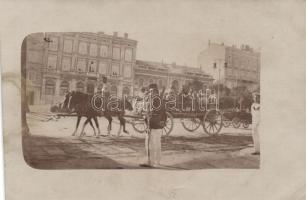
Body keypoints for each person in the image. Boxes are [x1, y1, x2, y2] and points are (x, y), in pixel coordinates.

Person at [140, 83, 166, 168]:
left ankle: (153, 162)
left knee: (152, 144)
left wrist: (146, 117)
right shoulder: (158, 99)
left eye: (151, 91)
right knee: (154, 144)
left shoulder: (156, 100)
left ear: (155, 91)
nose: (149, 93)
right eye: (149, 91)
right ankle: (154, 161)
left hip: (154, 126)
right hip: (156, 126)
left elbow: (154, 114)